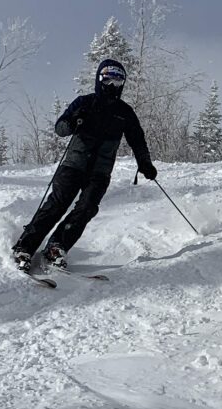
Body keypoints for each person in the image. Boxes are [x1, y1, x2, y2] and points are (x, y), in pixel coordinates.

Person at [11, 58, 157, 271]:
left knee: (87, 208)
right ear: (100, 79)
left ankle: (56, 247)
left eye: (118, 82)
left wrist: (145, 163)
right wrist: (71, 122)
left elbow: (137, 139)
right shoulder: (84, 102)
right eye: (108, 80)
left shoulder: (124, 112)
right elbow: (60, 128)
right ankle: (25, 246)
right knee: (58, 204)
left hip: (100, 171)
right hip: (73, 165)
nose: (112, 86)